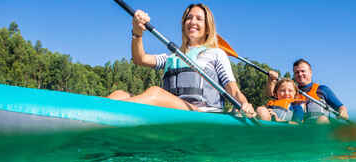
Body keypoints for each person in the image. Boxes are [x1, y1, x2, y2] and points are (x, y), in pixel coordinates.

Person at [107, 4, 255, 117]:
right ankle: (96, 119)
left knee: (155, 92)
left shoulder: (216, 54)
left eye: (199, 19)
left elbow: (233, 90)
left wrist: (244, 104)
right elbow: (140, 59)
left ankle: (107, 114)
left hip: (202, 113)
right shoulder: (172, 57)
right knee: (119, 94)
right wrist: (137, 33)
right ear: (184, 25)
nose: (192, 21)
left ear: (208, 27)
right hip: (173, 112)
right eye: (189, 18)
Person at [266, 59, 349, 124]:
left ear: (310, 72)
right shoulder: (292, 92)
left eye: (303, 71)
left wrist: (343, 112)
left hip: (318, 124)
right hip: (299, 128)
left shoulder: (323, 89)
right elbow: (273, 95)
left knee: (322, 120)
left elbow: (341, 107)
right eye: (296, 72)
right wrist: (271, 80)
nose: (300, 74)